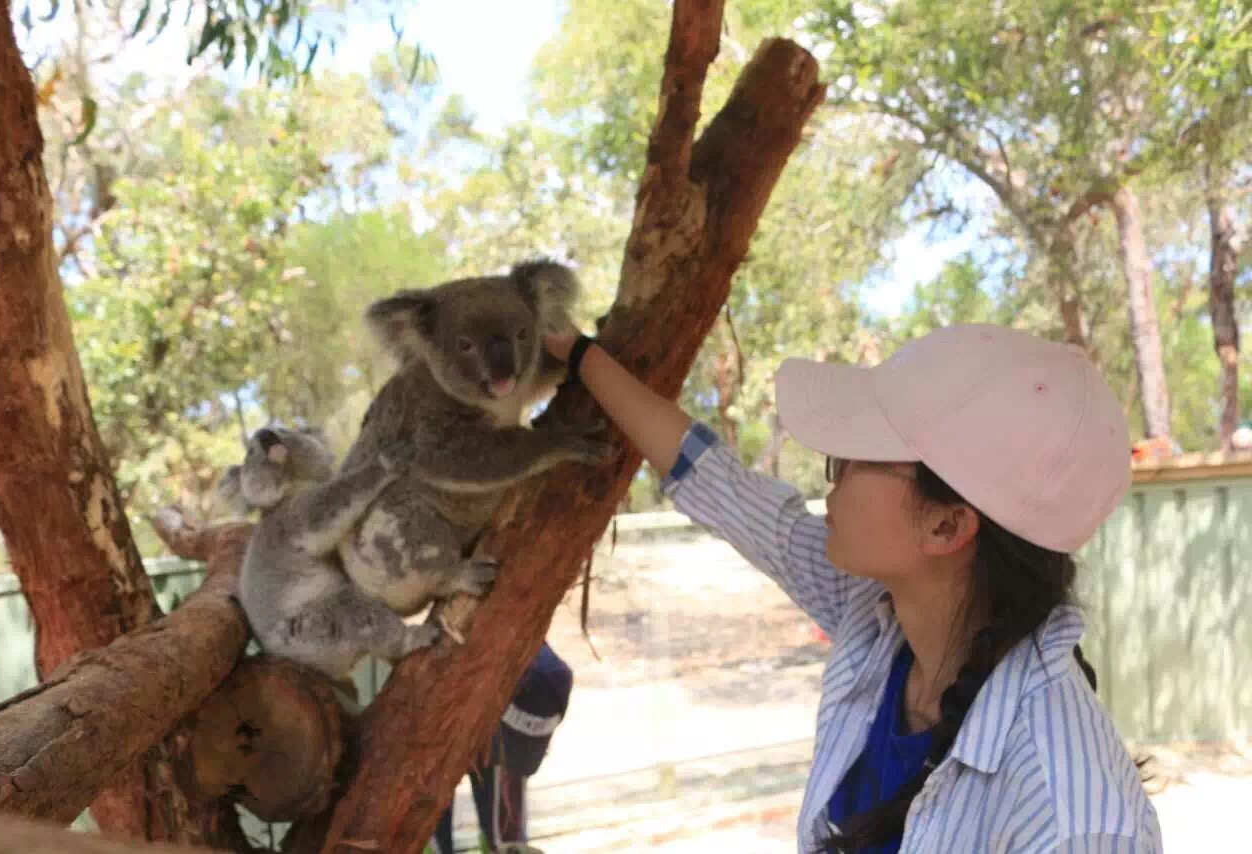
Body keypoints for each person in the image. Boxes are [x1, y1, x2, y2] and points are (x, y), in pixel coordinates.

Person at [545, 324, 1162, 853]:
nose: (830, 484)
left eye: (849, 460)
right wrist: (576, 352)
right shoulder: (882, 617)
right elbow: (718, 481)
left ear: (946, 525)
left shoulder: (1072, 817)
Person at [427, 641, 573, 854]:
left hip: (490, 708)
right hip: (443, 726)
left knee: (507, 838)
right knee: (427, 826)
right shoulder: (441, 691)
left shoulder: (547, 680)